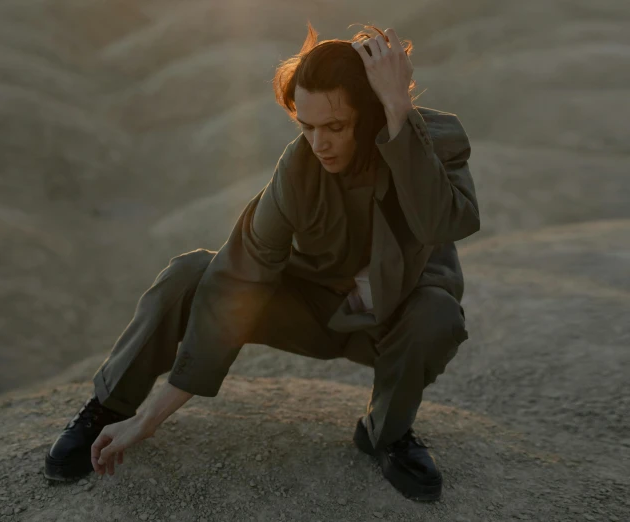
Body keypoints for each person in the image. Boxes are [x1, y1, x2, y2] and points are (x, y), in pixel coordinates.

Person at [44, 22, 479, 503]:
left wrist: (398, 108)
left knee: (436, 313)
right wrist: (149, 419)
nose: (320, 144)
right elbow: (240, 277)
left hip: (391, 321)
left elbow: (442, 223)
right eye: (307, 127)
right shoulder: (300, 166)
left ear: (374, 113)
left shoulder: (436, 139)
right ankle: (108, 408)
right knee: (191, 273)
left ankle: (387, 434)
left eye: (335, 127)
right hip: (314, 311)